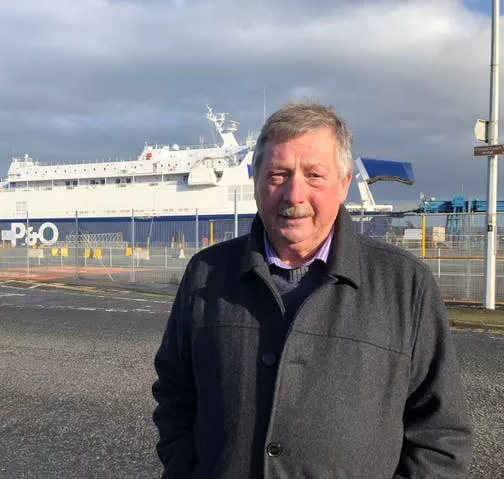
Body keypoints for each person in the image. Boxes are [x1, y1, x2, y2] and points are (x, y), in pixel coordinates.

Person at [152, 102, 472, 478]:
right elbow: (175, 395)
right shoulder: (206, 274)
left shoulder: (406, 285)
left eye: (314, 175)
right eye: (278, 174)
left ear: (343, 183)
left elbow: (441, 433)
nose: (294, 195)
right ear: (255, 180)